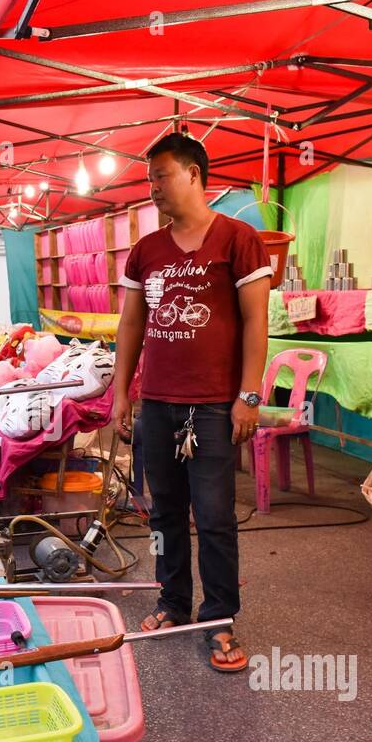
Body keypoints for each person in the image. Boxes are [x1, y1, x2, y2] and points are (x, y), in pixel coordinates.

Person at [111, 132, 272, 672]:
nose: (153, 186)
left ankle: (219, 616)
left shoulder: (237, 239)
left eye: (162, 175)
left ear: (195, 174)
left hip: (214, 406)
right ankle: (174, 602)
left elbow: (256, 322)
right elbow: (130, 325)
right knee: (165, 511)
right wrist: (121, 396)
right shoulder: (146, 251)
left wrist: (248, 396)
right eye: (150, 178)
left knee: (215, 515)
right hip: (157, 402)